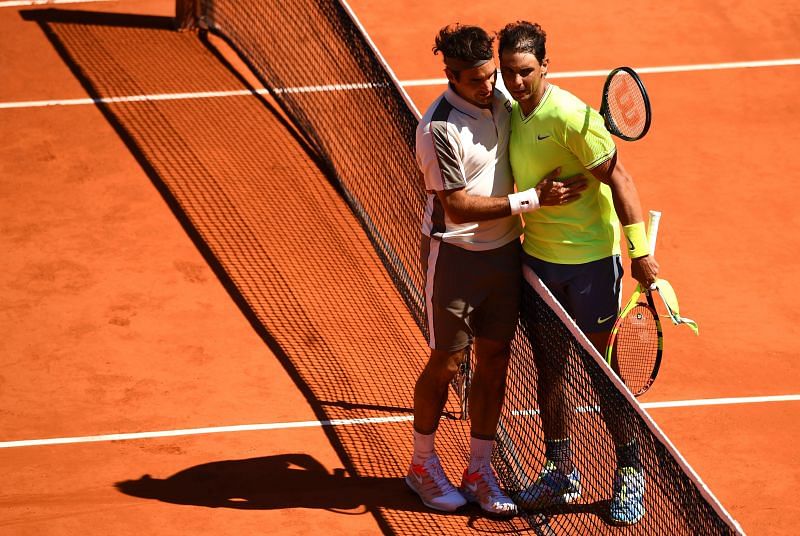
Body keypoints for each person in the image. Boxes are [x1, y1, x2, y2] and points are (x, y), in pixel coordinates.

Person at [407, 23, 587, 516]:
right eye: (475, 80)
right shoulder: (438, 127)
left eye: (491, 75)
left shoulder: (504, 104)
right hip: (456, 257)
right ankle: (422, 464)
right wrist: (532, 200)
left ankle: (479, 468)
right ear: (450, 75)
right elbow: (459, 206)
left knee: (494, 362)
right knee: (447, 362)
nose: (489, 86)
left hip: (505, 256)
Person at [497, 21, 660, 525]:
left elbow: (622, 180)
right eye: (509, 73)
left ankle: (630, 473)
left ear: (546, 65)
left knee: (601, 373)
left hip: (590, 266)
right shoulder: (509, 111)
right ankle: (560, 468)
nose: (517, 82)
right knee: (550, 370)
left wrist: (639, 253)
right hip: (539, 264)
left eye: (526, 71)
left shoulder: (572, 115)